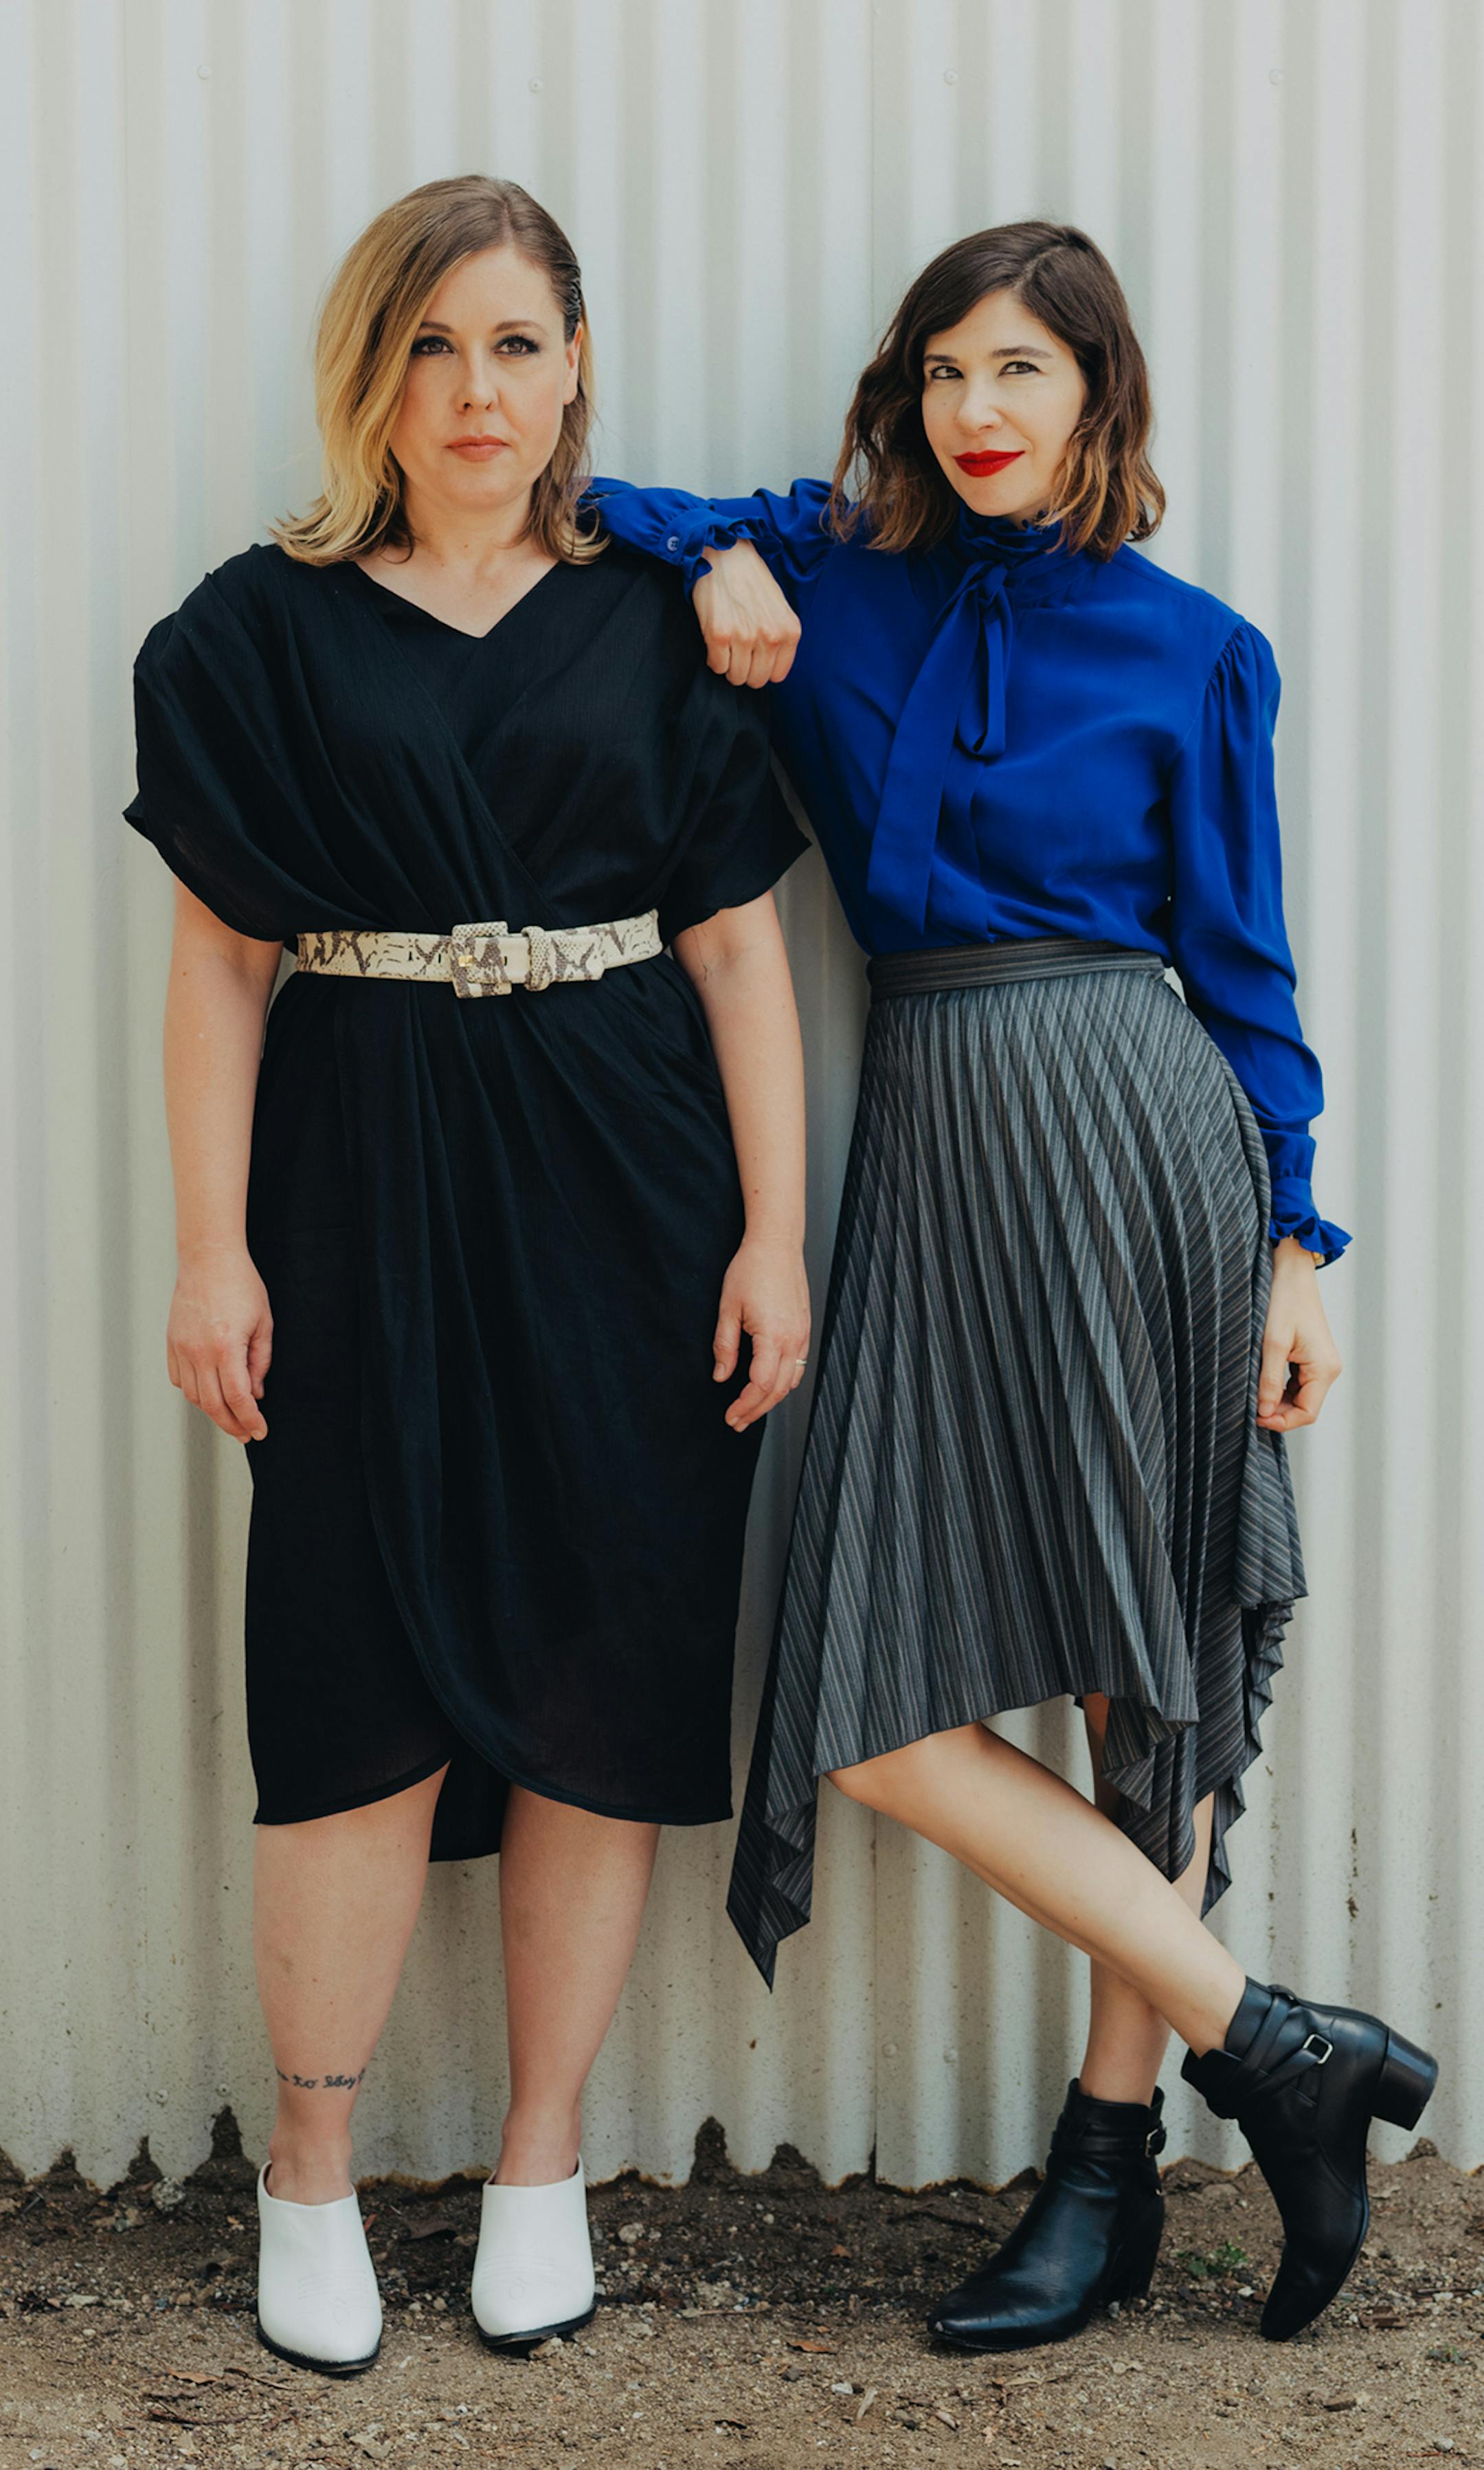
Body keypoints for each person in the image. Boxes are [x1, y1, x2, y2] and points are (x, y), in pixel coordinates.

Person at [587, 219, 1435, 2350]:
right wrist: (719, 559)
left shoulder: (1195, 646)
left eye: (1024, 375)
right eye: (951, 370)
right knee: (876, 1705)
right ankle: (1280, 2040)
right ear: (908, 388)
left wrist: (1294, 1247)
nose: (982, 413)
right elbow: (603, 501)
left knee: (1149, 1675)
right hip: (947, 1132)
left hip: (1151, 1142)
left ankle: (1105, 2159)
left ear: (1096, 399)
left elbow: (1245, 974)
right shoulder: (845, 580)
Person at [124, 174, 810, 2374]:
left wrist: (776, 1231)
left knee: (606, 1662)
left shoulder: (662, 621)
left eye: (517, 343)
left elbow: (739, 946)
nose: (478, 390)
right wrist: (209, 1246)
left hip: (631, 1182)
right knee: (349, 1673)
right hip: (360, 1183)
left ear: (578, 363)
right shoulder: (254, 633)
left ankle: (540, 2158)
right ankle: (306, 2178)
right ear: (375, 375)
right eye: (435, 347)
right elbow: (221, 968)